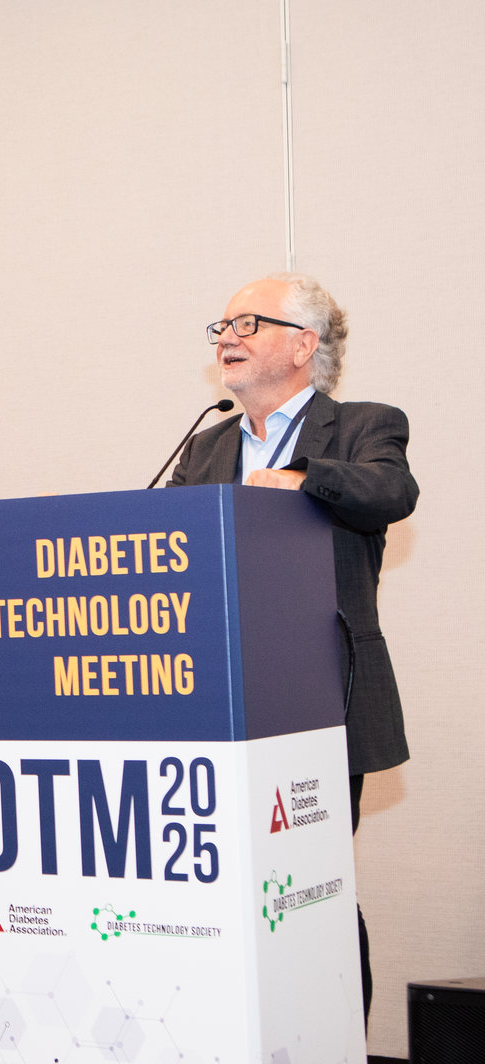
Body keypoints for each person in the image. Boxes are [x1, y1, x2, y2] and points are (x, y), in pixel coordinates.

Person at [168, 272, 415, 1018]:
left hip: (321, 699)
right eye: (221, 327)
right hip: (220, 703)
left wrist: (301, 478)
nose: (227, 338)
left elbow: (390, 493)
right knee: (234, 888)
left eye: (247, 323)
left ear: (304, 345)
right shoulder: (205, 446)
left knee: (314, 887)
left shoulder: (365, 425)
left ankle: (335, 1038)